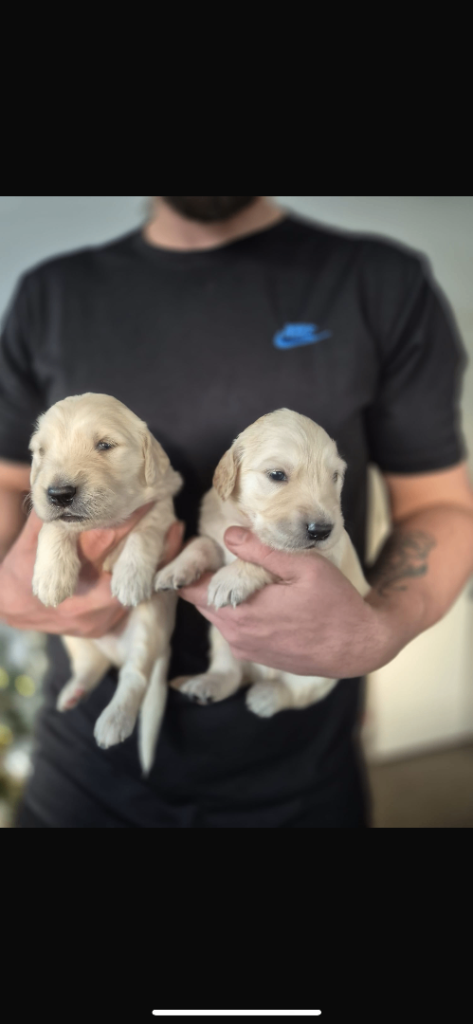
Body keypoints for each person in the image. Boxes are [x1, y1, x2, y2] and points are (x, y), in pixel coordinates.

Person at [1, 195, 472, 829]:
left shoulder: (379, 281)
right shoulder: (49, 294)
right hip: (82, 774)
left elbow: (443, 502)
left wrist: (381, 626)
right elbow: (9, 483)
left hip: (299, 775)